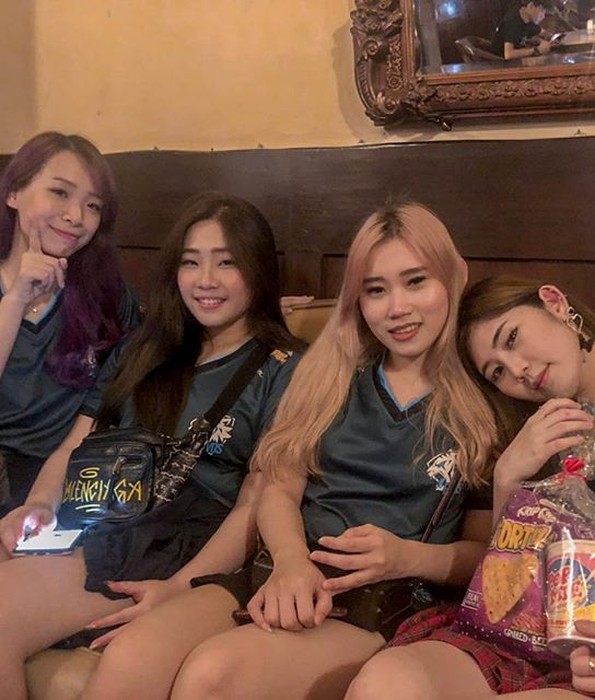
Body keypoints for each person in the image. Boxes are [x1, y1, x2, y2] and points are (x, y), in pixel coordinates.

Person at [76, 202, 499, 700]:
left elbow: (486, 554)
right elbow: (278, 487)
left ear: (454, 276)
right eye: (376, 290)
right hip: (280, 571)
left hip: (386, 601)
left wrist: (408, 556)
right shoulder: (331, 373)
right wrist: (291, 561)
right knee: (133, 654)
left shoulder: (488, 399)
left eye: (416, 282)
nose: (397, 308)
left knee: (213, 676)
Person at [0, 190, 304, 700]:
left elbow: (258, 500)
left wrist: (182, 587)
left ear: (258, 270)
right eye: (191, 262)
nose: (205, 280)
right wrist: (39, 506)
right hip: (105, 519)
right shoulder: (144, 347)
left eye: (227, 262)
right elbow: (77, 444)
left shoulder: (285, 367)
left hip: (183, 541)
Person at [345, 275, 595, 700]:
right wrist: (508, 479)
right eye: (497, 371)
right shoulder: (523, 435)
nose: (518, 371)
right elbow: (505, 594)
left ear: (554, 302)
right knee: (386, 683)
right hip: (527, 638)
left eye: (512, 338)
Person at [0, 132, 140, 510]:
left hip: (69, 475)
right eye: (60, 192)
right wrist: (16, 300)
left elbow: (106, 400)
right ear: (13, 193)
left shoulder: (106, 294)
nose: (76, 217)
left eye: (93, 206)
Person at [492, 1, 556, 60]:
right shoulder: (512, 22)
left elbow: (544, 33)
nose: (543, 16)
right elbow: (508, 55)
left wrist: (555, 39)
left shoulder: (528, 19)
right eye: (542, 12)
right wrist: (537, 50)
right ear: (531, 6)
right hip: (500, 61)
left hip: (517, 57)